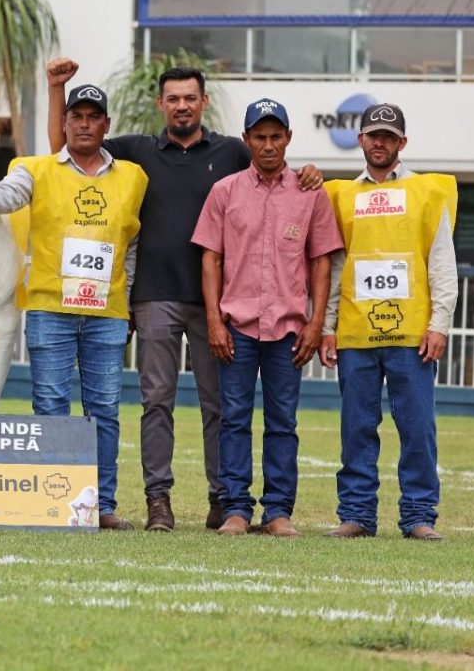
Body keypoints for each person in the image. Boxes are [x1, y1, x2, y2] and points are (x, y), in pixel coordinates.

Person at [45, 57, 322, 532]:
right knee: (157, 402)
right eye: (172, 98)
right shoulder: (135, 151)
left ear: (204, 102)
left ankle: (223, 500)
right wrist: (56, 90)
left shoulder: (234, 151)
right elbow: (65, 146)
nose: (181, 106)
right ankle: (159, 501)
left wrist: (310, 173)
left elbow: (272, 168)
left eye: (190, 98)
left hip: (222, 305)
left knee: (220, 406)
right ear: (160, 104)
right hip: (155, 297)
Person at [0, 83, 147, 531]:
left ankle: (101, 504)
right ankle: (60, 501)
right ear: (65, 124)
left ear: (106, 126)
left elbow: (131, 245)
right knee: (50, 405)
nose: (85, 124)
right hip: (51, 307)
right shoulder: (35, 170)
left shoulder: (134, 177)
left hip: (107, 314)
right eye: (77, 116)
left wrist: (126, 302)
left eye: (94, 117)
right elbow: (1, 199)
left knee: (104, 409)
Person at [193, 99, 343, 538]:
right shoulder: (225, 191)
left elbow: (321, 261)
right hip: (235, 326)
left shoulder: (310, 192)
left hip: (289, 330)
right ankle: (236, 510)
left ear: (289, 139)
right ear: (247, 141)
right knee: (234, 418)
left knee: (283, 422)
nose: (268, 144)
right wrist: (215, 322)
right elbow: (210, 260)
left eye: (276, 136)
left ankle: (278, 511)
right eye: (259, 136)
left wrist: (315, 325)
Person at [319, 103, 457, 540]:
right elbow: (336, 265)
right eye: (373, 135)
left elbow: (442, 265)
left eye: (389, 136)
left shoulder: (428, 193)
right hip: (356, 333)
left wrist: (440, 324)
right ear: (360, 140)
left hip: (414, 335)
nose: (380, 142)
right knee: (356, 427)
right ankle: (357, 514)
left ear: (402, 143)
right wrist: (326, 326)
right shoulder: (339, 195)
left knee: (417, 427)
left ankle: (419, 516)